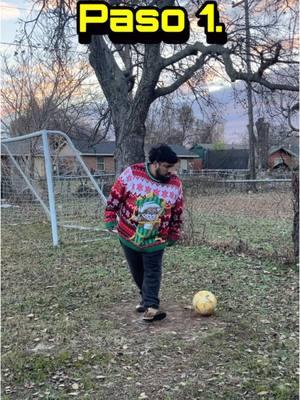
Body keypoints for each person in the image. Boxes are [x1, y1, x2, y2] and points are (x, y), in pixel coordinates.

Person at [104, 144, 184, 322]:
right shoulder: (132, 174)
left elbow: (178, 211)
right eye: (167, 167)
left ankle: (151, 306)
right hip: (129, 234)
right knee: (137, 271)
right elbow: (115, 195)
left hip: (157, 237)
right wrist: (110, 216)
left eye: (172, 167)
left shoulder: (175, 184)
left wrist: (173, 232)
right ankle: (145, 299)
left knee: (153, 271)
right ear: (155, 163)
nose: (170, 171)